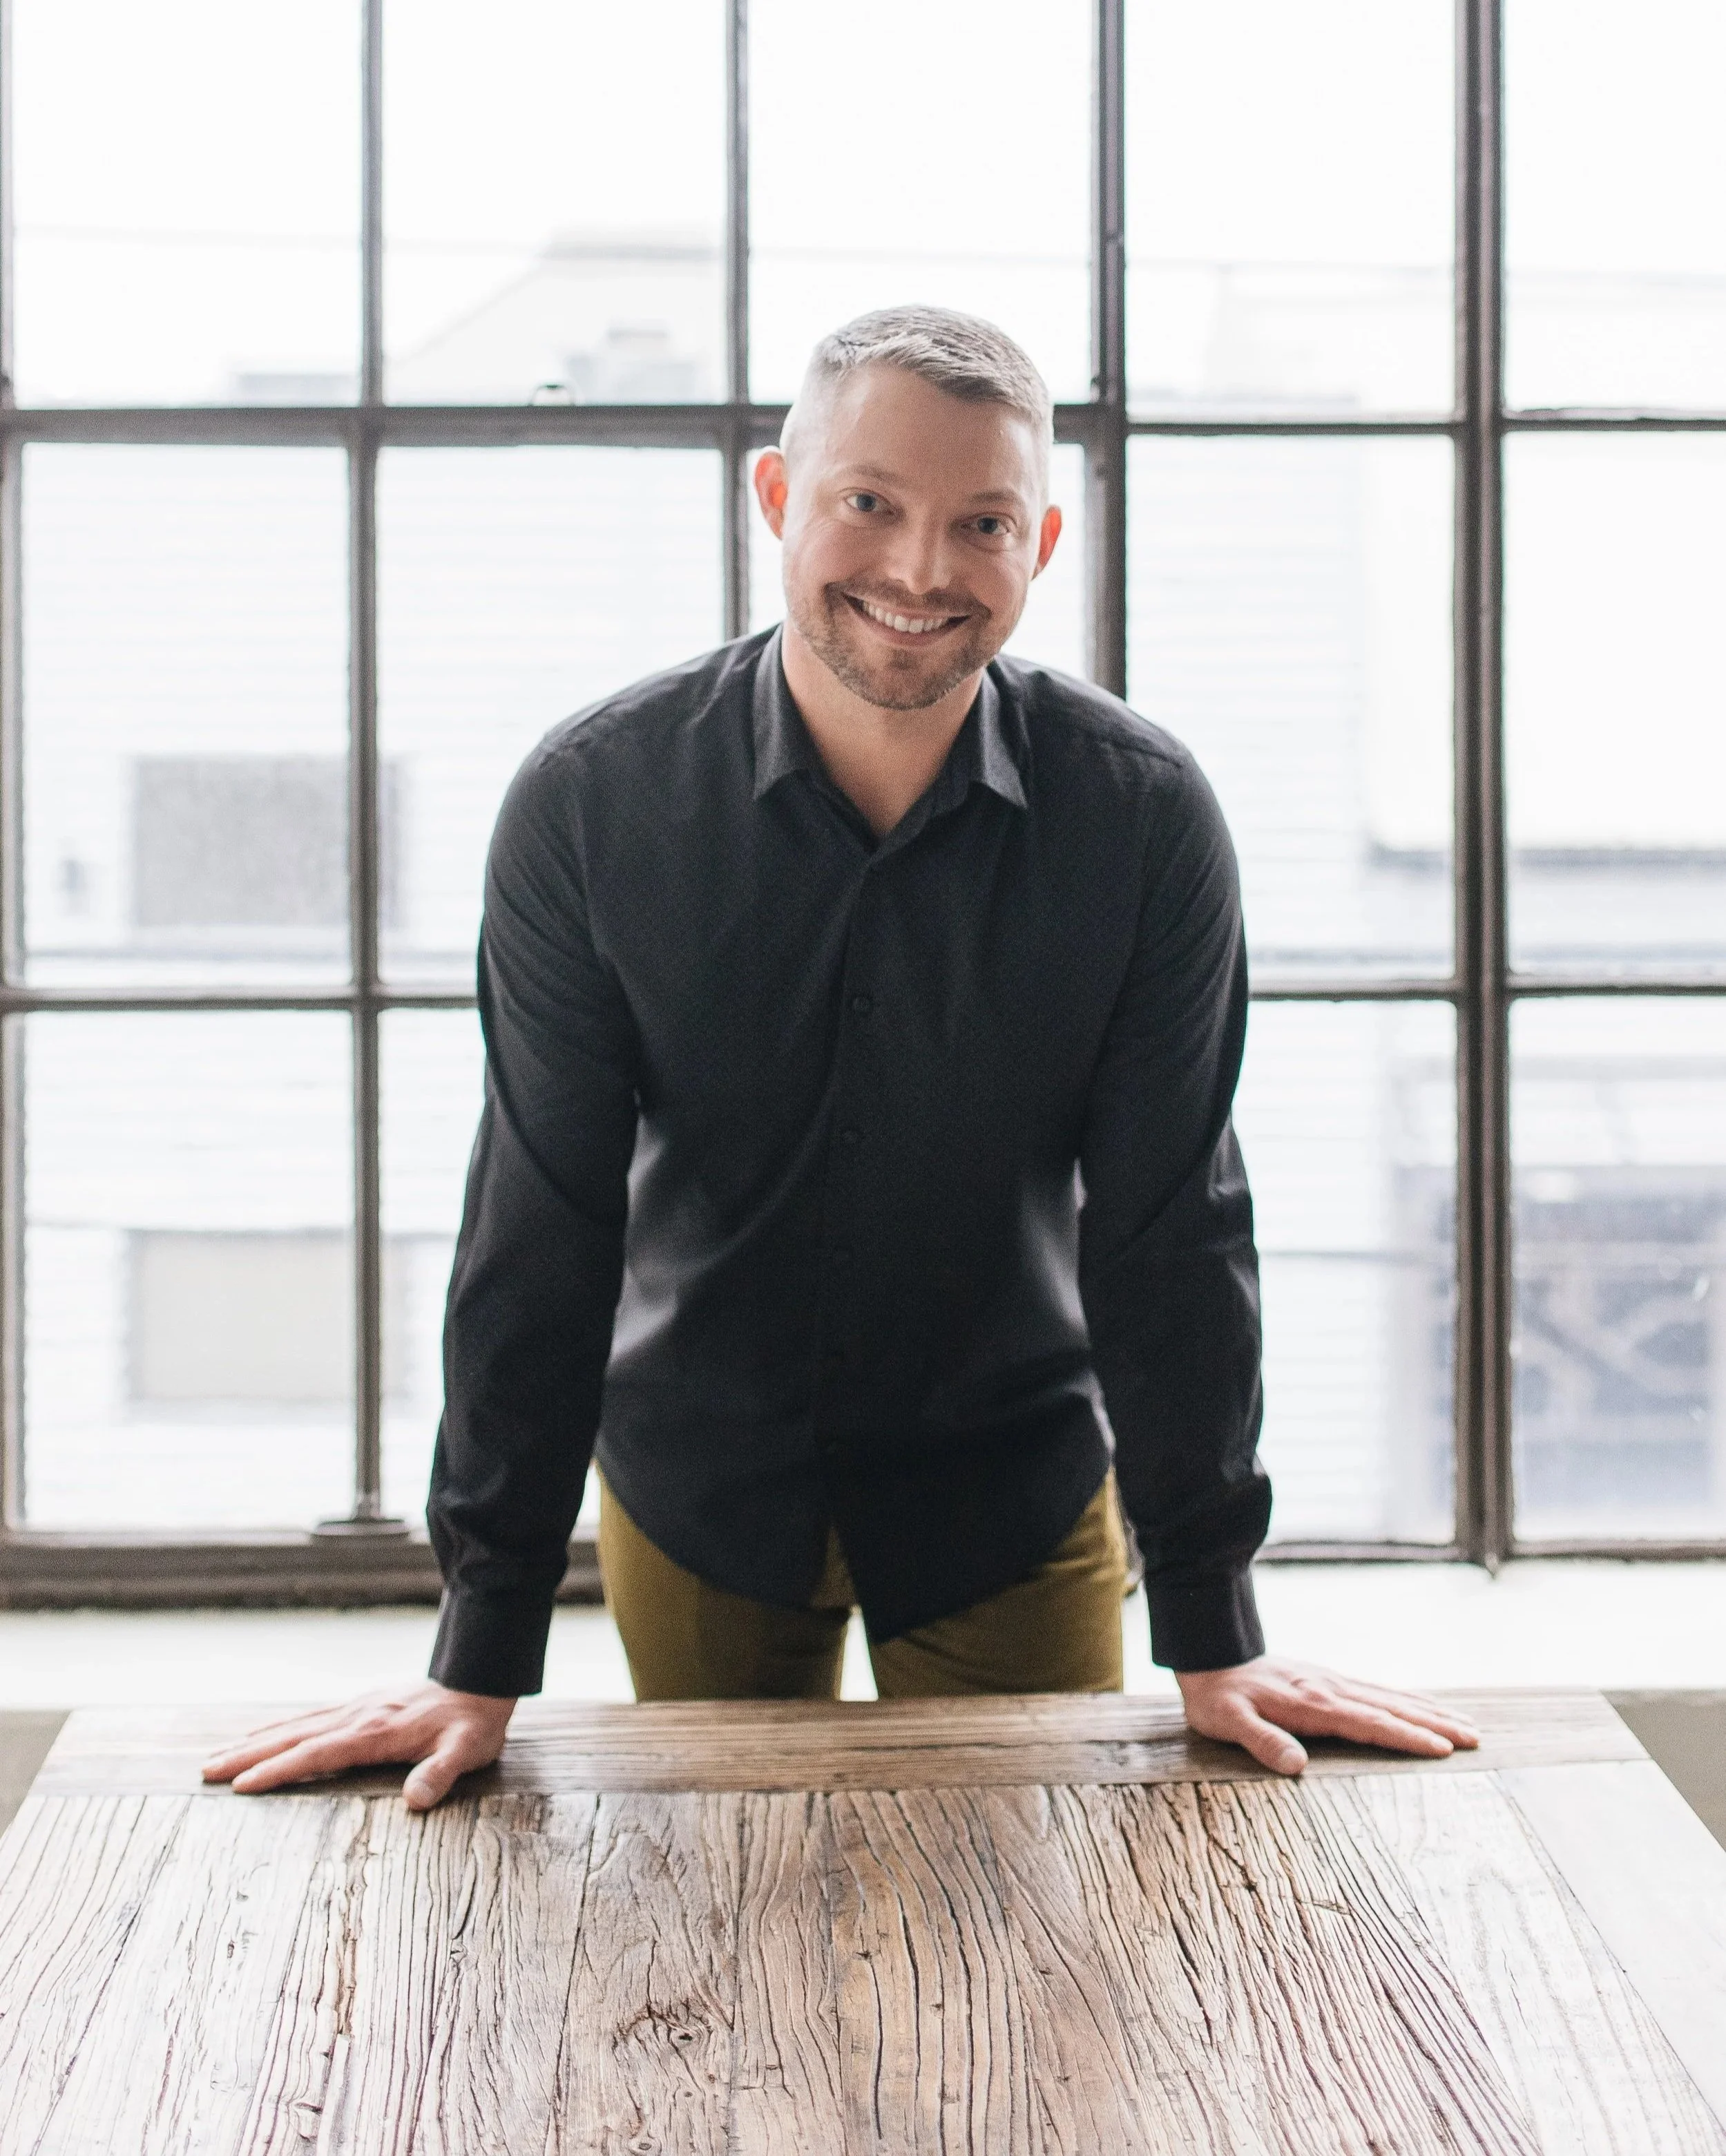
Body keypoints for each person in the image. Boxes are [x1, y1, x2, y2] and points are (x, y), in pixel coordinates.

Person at [204, 307, 1476, 1813]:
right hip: (694, 1486)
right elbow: (542, 1225)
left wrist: (1214, 1625)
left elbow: (1168, 1233)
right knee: (712, 1934)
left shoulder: (1140, 819)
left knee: (1033, 1958)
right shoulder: (592, 805)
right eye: (868, 502)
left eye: (981, 522)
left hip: (1011, 1482)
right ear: (775, 501)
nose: (921, 569)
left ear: (1041, 542)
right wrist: (478, 1649)